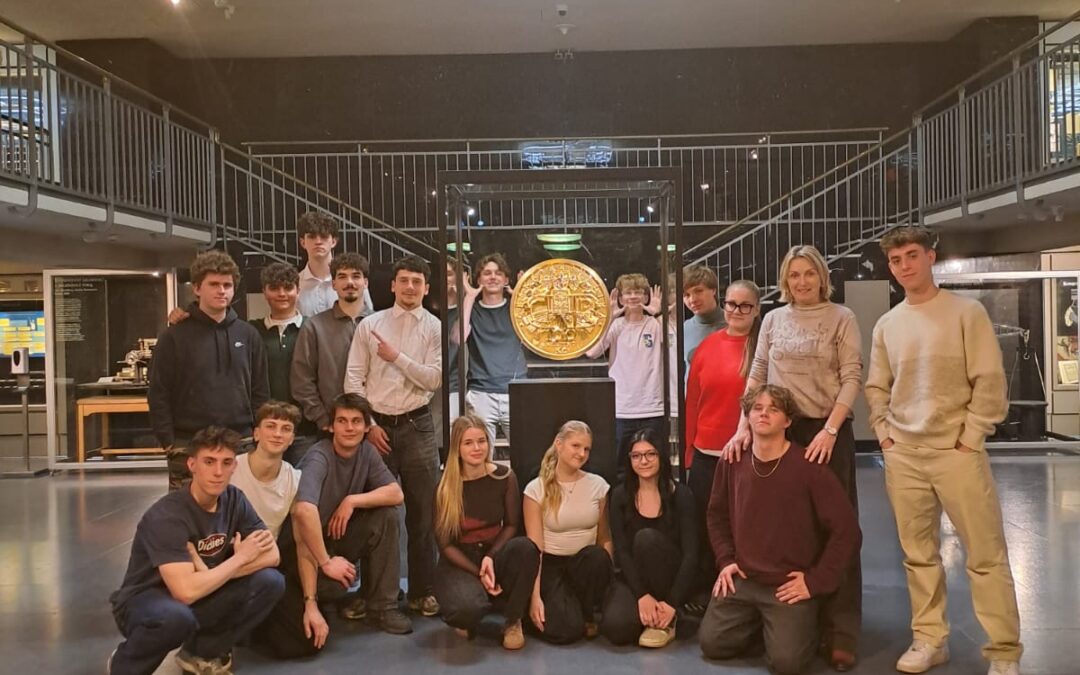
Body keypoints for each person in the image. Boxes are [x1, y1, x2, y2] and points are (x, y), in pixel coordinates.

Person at [865, 226, 1021, 675]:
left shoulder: (966, 313)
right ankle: (930, 639)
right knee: (918, 555)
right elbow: (877, 386)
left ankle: (1004, 650)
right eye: (896, 260)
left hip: (957, 452)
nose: (904, 266)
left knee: (985, 554)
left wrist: (971, 437)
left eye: (912, 255)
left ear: (930, 256)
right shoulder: (888, 324)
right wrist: (885, 434)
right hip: (904, 454)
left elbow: (989, 380)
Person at [725, 245, 864, 671]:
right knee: (789, 529)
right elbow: (758, 372)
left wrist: (830, 430)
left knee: (836, 526)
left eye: (809, 273)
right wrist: (743, 425)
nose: (802, 281)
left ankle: (840, 630)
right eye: (794, 274)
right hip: (781, 428)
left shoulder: (842, 317)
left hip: (826, 430)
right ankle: (797, 619)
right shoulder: (772, 319)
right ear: (785, 280)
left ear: (822, 277)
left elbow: (852, 377)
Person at [700, 385, 860, 675]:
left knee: (787, 663)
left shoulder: (809, 468)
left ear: (787, 421)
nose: (764, 414)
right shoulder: (732, 460)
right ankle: (766, 625)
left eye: (773, 409)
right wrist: (726, 560)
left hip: (787, 585)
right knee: (712, 644)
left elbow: (847, 531)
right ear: (747, 416)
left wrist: (815, 581)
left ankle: (805, 624)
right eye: (757, 408)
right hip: (745, 577)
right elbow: (716, 515)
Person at [108, 426, 285, 675]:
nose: (218, 472)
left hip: (202, 589)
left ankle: (202, 652)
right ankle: (125, 665)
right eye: (209, 462)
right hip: (146, 601)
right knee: (176, 618)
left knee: (271, 581)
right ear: (192, 465)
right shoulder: (167, 515)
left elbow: (273, 555)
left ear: (234, 467)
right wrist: (241, 558)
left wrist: (211, 573)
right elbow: (185, 592)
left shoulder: (235, 499)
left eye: (226, 463)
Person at [256, 394, 410, 659]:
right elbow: (304, 511)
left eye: (356, 421)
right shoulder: (319, 456)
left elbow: (396, 494)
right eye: (342, 421)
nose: (349, 428)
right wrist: (325, 562)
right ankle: (317, 597)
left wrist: (352, 500)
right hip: (301, 550)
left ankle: (382, 607)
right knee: (333, 587)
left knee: (386, 516)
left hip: (335, 537)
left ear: (366, 427)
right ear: (331, 426)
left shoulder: (367, 452)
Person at [344, 254, 442, 617]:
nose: (410, 287)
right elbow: (353, 379)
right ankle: (374, 594)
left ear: (426, 288)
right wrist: (368, 425)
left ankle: (422, 591)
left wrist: (397, 357)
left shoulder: (433, 327)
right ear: (392, 285)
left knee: (422, 514)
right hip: (377, 427)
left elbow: (433, 379)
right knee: (377, 514)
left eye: (417, 281)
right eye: (404, 280)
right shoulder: (370, 325)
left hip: (418, 425)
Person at [149, 250, 270, 491]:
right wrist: (168, 442)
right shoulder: (173, 336)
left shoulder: (248, 335)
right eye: (214, 284)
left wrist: (258, 433)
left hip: (241, 442)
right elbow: (158, 392)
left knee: (241, 510)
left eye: (227, 285)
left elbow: (260, 390)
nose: (221, 291)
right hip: (188, 443)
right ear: (196, 288)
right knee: (187, 513)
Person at [433, 414, 541, 649]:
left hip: (494, 552)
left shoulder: (505, 476)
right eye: (468, 443)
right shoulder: (444, 486)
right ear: (457, 448)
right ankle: (470, 610)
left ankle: (513, 621)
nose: (477, 448)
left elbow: (511, 525)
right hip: (460, 560)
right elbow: (445, 545)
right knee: (466, 609)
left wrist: (491, 557)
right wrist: (478, 572)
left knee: (527, 548)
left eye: (481, 441)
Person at [684, 280, 761, 601]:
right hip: (706, 454)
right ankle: (707, 593)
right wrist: (688, 453)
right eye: (731, 304)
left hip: (749, 454)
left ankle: (744, 594)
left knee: (745, 527)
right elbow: (693, 402)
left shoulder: (762, 348)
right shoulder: (708, 346)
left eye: (745, 305)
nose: (736, 311)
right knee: (705, 527)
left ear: (756, 310)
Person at [599, 428, 697, 649]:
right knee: (617, 628)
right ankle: (648, 615)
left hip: (669, 579)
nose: (643, 461)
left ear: (661, 456)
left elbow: (691, 555)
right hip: (634, 579)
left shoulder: (681, 495)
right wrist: (642, 595)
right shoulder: (620, 496)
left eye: (650, 454)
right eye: (636, 456)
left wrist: (671, 602)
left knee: (646, 539)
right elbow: (622, 552)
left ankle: (667, 617)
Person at [523, 421, 613, 644]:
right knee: (566, 632)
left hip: (583, 565)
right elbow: (534, 549)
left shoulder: (598, 486)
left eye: (587, 449)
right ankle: (550, 612)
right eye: (576, 446)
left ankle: (586, 611)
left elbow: (604, 538)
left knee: (598, 556)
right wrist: (535, 597)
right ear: (559, 444)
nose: (582, 454)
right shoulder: (536, 489)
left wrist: (609, 585)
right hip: (551, 567)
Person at [291, 252, 388, 450]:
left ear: (365, 282)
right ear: (333, 284)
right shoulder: (314, 327)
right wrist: (323, 419)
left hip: (380, 430)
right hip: (331, 431)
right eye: (342, 276)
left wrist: (374, 423)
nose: (349, 282)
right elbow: (302, 381)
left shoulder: (384, 325)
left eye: (356, 276)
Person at [585, 273, 667, 478]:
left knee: (655, 466)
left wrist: (658, 313)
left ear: (646, 296)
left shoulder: (655, 324)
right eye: (628, 293)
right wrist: (608, 318)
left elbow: (673, 344)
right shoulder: (616, 325)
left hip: (652, 408)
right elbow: (592, 352)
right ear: (621, 298)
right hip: (622, 409)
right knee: (621, 468)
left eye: (638, 292)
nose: (633, 297)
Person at [248, 263, 316, 463]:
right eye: (274, 288)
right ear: (264, 292)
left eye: (288, 288)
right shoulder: (250, 331)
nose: (282, 294)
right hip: (264, 429)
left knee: (303, 481)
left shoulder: (314, 328)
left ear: (298, 290)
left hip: (306, 431)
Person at [459, 252, 528, 448]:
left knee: (525, 454)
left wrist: (523, 295)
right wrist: (469, 297)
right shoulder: (472, 309)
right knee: (479, 456)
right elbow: (459, 337)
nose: (492, 277)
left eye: (498, 273)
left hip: (516, 389)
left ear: (506, 280)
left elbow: (537, 334)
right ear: (478, 279)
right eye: (487, 273)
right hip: (481, 392)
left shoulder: (516, 309)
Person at [229, 401, 303, 539]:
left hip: (266, 550)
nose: (278, 434)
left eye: (286, 429)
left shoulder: (295, 480)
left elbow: (300, 537)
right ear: (256, 434)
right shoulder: (229, 468)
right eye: (270, 426)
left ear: (292, 439)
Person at [295, 211, 374, 318]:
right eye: (312, 237)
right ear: (303, 242)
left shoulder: (354, 282)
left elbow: (369, 319)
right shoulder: (296, 284)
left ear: (333, 242)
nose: (318, 241)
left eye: (324, 236)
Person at [681, 264, 725, 369]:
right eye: (686, 295)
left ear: (713, 290)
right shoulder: (684, 328)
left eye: (699, 291)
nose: (692, 300)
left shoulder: (734, 323)